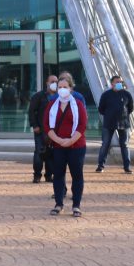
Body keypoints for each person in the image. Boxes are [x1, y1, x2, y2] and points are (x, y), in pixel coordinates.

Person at [45, 78, 88, 217]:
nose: (62, 89)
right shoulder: (52, 104)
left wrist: (70, 141)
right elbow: (47, 125)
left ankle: (76, 206)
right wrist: (58, 140)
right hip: (58, 146)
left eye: (65, 86)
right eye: (59, 87)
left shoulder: (78, 104)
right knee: (58, 175)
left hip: (76, 146)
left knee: (77, 175)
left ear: (71, 88)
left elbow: (82, 125)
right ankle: (58, 204)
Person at [96, 75, 134, 174]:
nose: (119, 84)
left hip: (124, 123)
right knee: (105, 144)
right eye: (117, 82)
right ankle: (100, 166)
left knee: (125, 145)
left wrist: (122, 115)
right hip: (108, 123)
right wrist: (110, 115)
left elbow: (130, 108)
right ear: (112, 83)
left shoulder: (127, 94)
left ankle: (127, 167)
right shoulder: (106, 95)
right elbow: (101, 109)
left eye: (120, 82)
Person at [28, 75, 58, 183]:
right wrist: (35, 125)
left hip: (54, 131)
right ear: (47, 83)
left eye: (56, 81)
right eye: (52, 81)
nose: (54, 83)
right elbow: (31, 111)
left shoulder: (59, 96)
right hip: (40, 130)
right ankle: (37, 175)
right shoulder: (39, 96)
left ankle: (49, 175)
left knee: (51, 154)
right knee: (39, 153)